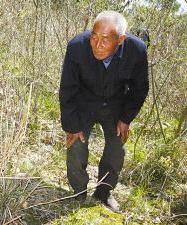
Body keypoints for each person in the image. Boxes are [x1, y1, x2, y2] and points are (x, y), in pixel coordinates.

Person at [59, 11, 149, 213]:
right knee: (75, 145)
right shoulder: (76, 47)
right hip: (85, 102)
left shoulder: (137, 50)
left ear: (120, 40)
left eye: (105, 40)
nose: (97, 45)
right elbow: (67, 89)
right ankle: (78, 193)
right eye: (94, 37)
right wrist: (72, 126)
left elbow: (139, 89)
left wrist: (126, 118)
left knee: (118, 149)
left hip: (117, 105)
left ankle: (104, 192)